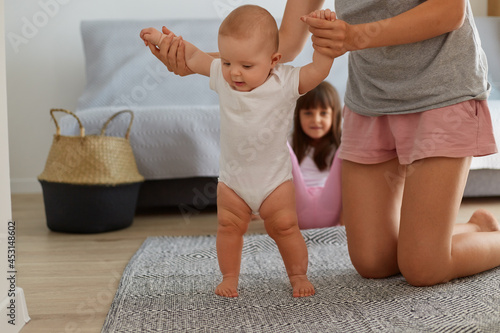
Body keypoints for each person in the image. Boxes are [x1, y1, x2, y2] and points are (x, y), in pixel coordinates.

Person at [160, 1, 500, 288]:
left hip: (441, 95)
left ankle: (449, 241)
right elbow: (286, 44)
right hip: (372, 102)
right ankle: (471, 228)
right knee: (373, 262)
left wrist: (356, 35)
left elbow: (450, 10)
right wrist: (193, 60)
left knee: (424, 268)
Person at [140, 4, 335, 298]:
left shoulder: (286, 81)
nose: (234, 73)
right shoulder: (222, 76)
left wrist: (323, 38)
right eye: (228, 62)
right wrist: (162, 39)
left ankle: (298, 275)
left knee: (285, 228)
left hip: (274, 182)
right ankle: (229, 277)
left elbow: (319, 69)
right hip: (233, 182)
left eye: (246, 66)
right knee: (228, 228)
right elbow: (192, 56)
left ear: (274, 60)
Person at [289, 81, 342, 229]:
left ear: (335, 115)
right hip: (298, 209)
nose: (316, 120)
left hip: (331, 206)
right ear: (298, 115)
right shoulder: (291, 143)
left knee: (345, 151)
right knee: (282, 149)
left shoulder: (339, 145)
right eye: (308, 113)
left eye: (323, 113)